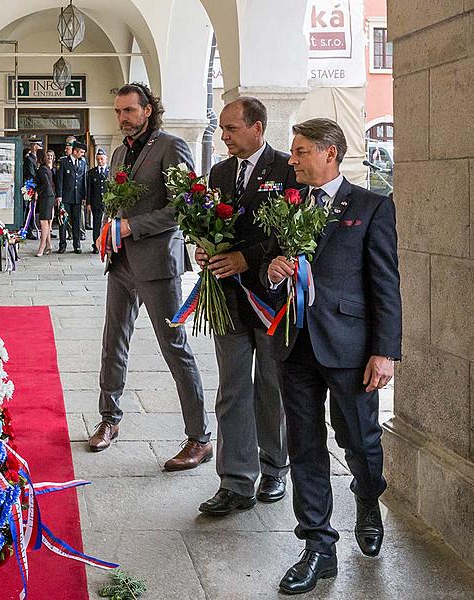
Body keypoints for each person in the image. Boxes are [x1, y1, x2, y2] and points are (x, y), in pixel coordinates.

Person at [264, 118, 401, 595]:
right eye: (293, 151)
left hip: (350, 346)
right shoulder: (285, 204)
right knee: (303, 444)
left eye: (301, 151)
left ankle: (367, 496)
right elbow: (271, 268)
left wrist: (384, 352)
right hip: (295, 344)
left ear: (330, 154)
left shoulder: (371, 206)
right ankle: (318, 545)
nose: (293, 159)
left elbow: (385, 284)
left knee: (360, 441)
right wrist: (274, 269)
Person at [88, 82, 212, 471]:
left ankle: (199, 438)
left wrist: (131, 228)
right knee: (114, 341)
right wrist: (108, 231)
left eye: (129, 111)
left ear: (147, 110)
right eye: (118, 112)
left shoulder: (172, 146)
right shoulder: (121, 152)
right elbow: (115, 202)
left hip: (159, 265)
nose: (122, 118)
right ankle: (110, 419)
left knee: (174, 348)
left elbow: (183, 206)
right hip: (121, 263)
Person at [194, 97, 299, 518]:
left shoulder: (287, 169)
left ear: (258, 128)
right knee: (233, 387)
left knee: (272, 386)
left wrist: (247, 259)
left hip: (270, 298)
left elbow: (290, 235)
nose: (224, 137)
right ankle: (235, 480)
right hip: (229, 300)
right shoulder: (219, 172)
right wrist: (205, 250)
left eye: (231, 129)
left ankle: (274, 468)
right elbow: (209, 224)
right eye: (222, 129)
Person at [57, 140, 88, 254]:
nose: (82, 154)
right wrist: (59, 196)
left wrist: (84, 196)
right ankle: (62, 245)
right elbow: (60, 180)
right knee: (63, 222)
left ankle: (77, 245)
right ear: (75, 151)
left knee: (76, 222)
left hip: (77, 198)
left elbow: (83, 180)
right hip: (65, 197)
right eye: (81, 152)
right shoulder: (64, 161)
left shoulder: (83, 163)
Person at [86, 147, 109, 254]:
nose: (100, 161)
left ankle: (106, 244)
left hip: (107, 203)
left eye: (102, 159)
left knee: (107, 225)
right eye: (98, 159)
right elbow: (89, 189)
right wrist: (88, 203)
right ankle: (95, 245)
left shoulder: (110, 172)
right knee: (96, 224)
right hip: (95, 202)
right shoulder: (92, 172)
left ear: (106, 159)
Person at [35, 148, 56, 257]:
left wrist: (37, 192)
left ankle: (42, 246)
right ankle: (48, 244)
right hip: (49, 196)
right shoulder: (45, 168)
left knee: (43, 222)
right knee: (47, 222)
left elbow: (46, 184)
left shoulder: (42, 169)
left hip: (46, 197)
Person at [22, 136, 42, 240]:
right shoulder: (29, 159)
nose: (40, 148)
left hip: (33, 187)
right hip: (29, 187)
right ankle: (27, 230)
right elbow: (31, 174)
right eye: (38, 146)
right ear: (34, 146)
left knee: (31, 209)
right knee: (28, 209)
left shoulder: (35, 158)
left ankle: (29, 229)